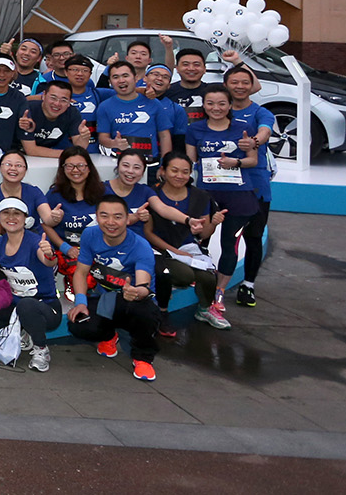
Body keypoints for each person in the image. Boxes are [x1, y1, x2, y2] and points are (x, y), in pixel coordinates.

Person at [186, 82, 263, 321]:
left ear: (230, 105)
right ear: (203, 105)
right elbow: (190, 161)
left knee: (229, 244)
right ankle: (199, 284)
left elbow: (252, 160)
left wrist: (235, 162)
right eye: (210, 103)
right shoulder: (195, 129)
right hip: (206, 194)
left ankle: (219, 293)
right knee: (199, 241)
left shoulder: (243, 127)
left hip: (238, 195)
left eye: (221, 103)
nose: (216, 108)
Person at [67, 194, 162, 381]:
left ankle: (143, 358)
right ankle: (109, 335)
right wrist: (80, 302)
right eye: (104, 216)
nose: (110, 222)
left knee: (145, 313)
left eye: (118, 217)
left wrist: (136, 292)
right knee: (78, 324)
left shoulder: (140, 246)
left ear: (128, 219)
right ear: (97, 217)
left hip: (135, 301)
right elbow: (81, 273)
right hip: (106, 298)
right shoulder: (89, 235)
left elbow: (144, 287)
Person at [0, 197, 61, 372]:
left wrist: (49, 254)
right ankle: (23, 329)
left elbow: (48, 262)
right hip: (16, 306)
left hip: (45, 307)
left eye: (17, 214)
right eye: (6, 213)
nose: (11, 217)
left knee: (27, 305)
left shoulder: (35, 241)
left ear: (25, 218)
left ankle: (41, 349)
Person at [145, 150, 228, 333]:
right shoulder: (152, 195)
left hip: (189, 249)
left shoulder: (200, 197)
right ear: (163, 171)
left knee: (208, 276)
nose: (179, 176)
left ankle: (205, 309)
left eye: (185, 172)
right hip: (160, 249)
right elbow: (148, 233)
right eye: (174, 170)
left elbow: (203, 234)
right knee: (184, 275)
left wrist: (213, 224)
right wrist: (175, 251)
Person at [224, 64, 275, 308]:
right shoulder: (217, 108)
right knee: (217, 235)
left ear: (252, 86)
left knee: (253, 236)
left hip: (255, 183)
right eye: (234, 82)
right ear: (226, 85)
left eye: (245, 82)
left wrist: (254, 141)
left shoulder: (261, 112)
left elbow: (265, 132)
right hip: (221, 183)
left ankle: (248, 284)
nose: (240, 86)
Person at [43, 147, 105, 302]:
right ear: (63, 169)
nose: (75, 170)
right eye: (69, 166)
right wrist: (65, 247)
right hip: (66, 251)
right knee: (85, 278)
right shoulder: (54, 195)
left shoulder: (103, 193)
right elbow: (44, 225)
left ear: (89, 168)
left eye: (80, 166)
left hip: (96, 250)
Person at [94, 60, 172, 176]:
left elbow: (164, 135)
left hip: (150, 165)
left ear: (135, 78)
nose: (121, 80)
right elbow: (103, 138)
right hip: (119, 164)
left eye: (125, 75)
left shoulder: (153, 103)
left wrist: (165, 165)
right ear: (110, 82)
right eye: (115, 77)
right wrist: (114, 143)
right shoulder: (104, 107)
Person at [0, 150, 53, 234]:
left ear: (25, 170)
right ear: (0, 168)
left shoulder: (34, 192)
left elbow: (48, 219)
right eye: (8, 164)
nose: (13, 168)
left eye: (18, 165)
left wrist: (55, 218)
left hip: (36, 238)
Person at [19, 80, 93, 156]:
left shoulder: (72, 113)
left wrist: (84, 138)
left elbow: (79, 147)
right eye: (53, 98)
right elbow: (31, 150)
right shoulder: (28, 110)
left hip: (47, 157)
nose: (57, 104)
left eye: (63, 100)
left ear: (69, 102)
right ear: (43, 96)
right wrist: (69, 154)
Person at [106, 149, 156, 229]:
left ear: (143, 172)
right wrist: (136, 216)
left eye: (136, 167)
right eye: (126, 165)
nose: (130, 171)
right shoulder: (101, 189)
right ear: (118, 166)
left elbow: (163, 209)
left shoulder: (145, 191)